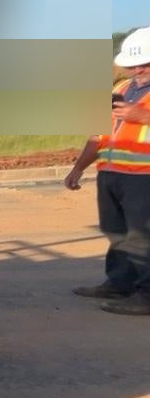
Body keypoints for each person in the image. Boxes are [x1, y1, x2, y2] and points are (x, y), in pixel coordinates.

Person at [64, 27, 150, 315]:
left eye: (144, 64)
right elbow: (99, 133)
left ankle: (147, 294)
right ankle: (119, 283)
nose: (137, 70)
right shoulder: (120, 90)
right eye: (133, 65)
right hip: (112, 175)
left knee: (142, 236)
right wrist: (78, 168)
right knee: (117, 232)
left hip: (144, 178)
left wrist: (143, 116)